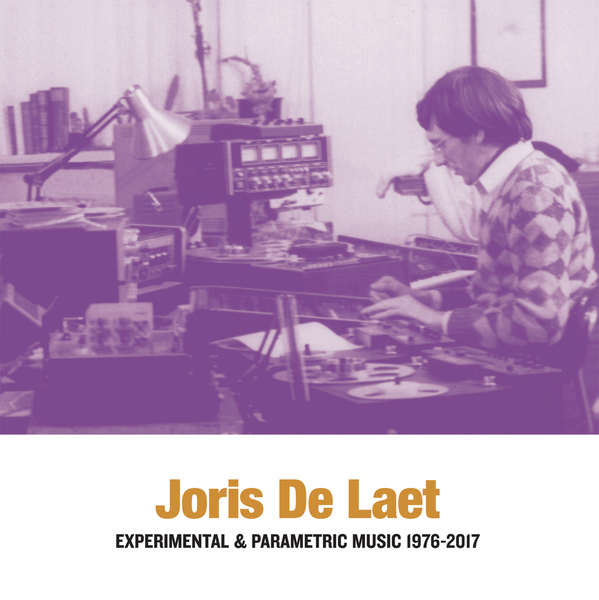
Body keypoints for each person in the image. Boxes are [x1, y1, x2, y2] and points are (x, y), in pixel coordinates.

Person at [363, 66, 597, 355]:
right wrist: (420, 298)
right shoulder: (511, 180)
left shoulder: (535, 192)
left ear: (476, 133)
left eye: (440, 145)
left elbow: (539, 323)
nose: (439, 161)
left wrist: (432, 318)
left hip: (534, 364)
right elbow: (493, 293)